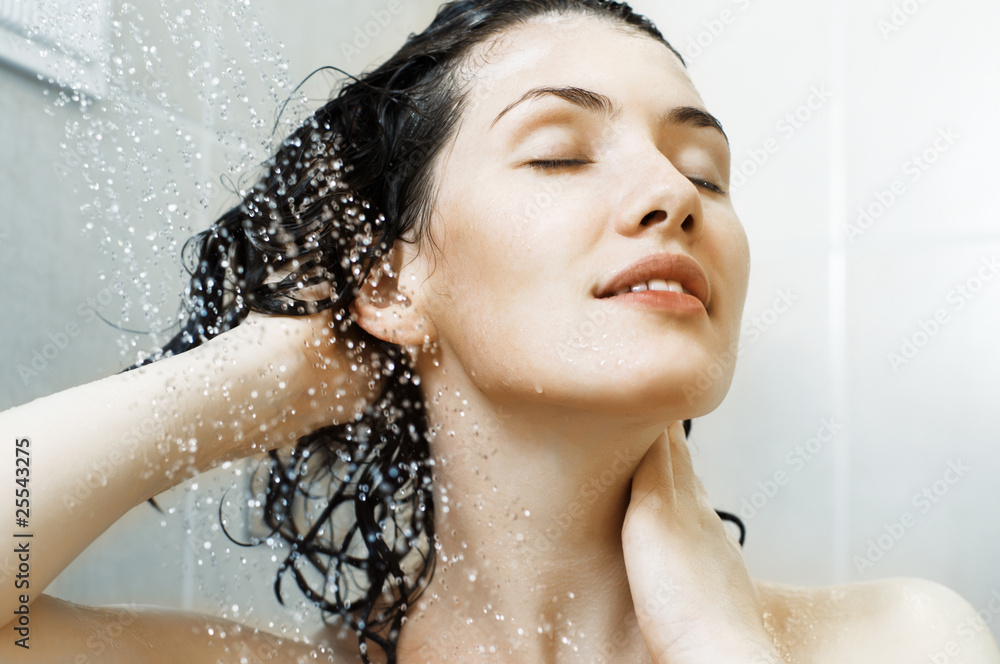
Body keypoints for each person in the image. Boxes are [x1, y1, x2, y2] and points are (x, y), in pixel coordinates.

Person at [2, 1, 999, 662]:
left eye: (704, 172)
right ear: (393, 279)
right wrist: (270, 367)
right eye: (559, 155)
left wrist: (716, 640)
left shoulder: (904, 640)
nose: (670, 195)